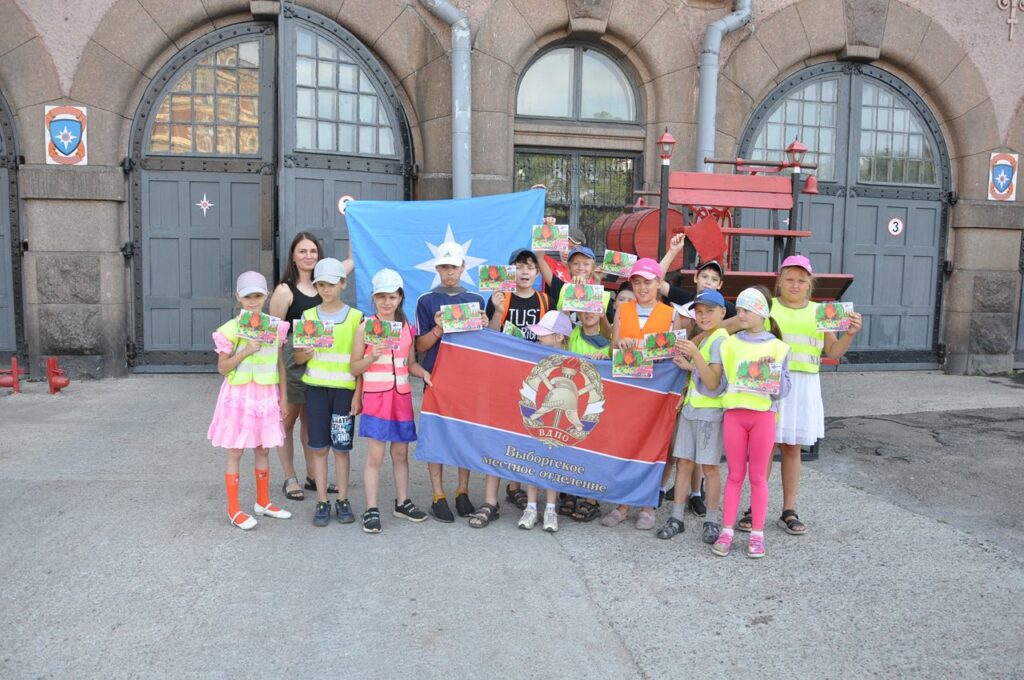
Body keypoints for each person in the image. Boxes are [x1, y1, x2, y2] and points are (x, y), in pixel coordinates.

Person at [751, 254, 861, 536]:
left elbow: (833, 351)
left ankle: (789, 509)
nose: (795, 285)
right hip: (772, 383)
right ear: (780, 281)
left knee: (792, 448)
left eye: (801, 280)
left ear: (809, 284)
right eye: (790, 279)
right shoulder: (768, 307)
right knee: (766, 447)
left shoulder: (819, 312)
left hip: (804, 385)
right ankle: (755, 507)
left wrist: (849, 335)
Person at [208, 271, 292, 530]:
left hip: (265, 395)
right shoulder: (229, 329)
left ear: (266, 296)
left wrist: (284, 397)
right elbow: (223, 368)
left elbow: (279, 364)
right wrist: (245, 350)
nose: (253, 301)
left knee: (263, 449)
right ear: (238, 297)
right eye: (247, 296)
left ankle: (263, 501)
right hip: (239, 396)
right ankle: (233, 508)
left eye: (258, 295)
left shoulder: (274, 327)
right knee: (235, 451)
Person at [349, 269, 431, 533]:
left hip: (401, 398)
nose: (387, 302)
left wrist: (424, 373)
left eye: (392, 297)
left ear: (400, 298)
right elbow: (353, 367)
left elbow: (410, 363)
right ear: (373, 298)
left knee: (400, 454)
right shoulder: (365, 328)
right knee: (375, 456)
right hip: (376, 399)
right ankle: (371, 508)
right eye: (381, 297)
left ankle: (402, 502)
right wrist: (372, 357)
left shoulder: (407, 328)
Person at [711, 288, 791, 559]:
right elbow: (721, 383)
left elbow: (783, 390)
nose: (741, 314)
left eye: (746, 310)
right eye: (739, 309)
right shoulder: (729, 344)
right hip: (734, 414)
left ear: (761, 312)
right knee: (734, 475)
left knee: (757, 477)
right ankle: (727, 531)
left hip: (763, 416)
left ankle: (757, 534)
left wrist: (771, 374)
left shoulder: (778, 347)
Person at [602, 258, 674, 530]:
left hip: (657, 390)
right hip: (629, 388)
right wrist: (621, 343)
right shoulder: (623, 310)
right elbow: (613, 349)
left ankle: (647, 505)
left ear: (659, 283)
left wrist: (645, 346)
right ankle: (622, 504)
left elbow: (672, 353)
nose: (643, 288)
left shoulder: (671, 314)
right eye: (637, 282)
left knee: (654, 446)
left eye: (648, 282)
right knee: (627, 444)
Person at [414, 241, 484, 522]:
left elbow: (482, 344)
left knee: (464, 434)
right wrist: (438, 329)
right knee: (436, 434)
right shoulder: (426, 301)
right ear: (437, 268)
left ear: (463, 267)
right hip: (436, 377)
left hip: (466, 377)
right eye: (444, 266)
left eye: (454, 266)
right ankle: (437, 494)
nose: (449, 272)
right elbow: (420, 346)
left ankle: (462, 491)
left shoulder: (476, 300)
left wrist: (486, 324)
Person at [294, 258, 363, 527]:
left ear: (343, 284)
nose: (326, 289)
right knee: (319, 447)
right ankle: (322, 500)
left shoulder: (356, 318)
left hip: (344, 392)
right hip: (316, 391)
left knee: (341, 448)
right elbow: (298, 358)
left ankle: (343, 499)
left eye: (331, 284)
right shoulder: (308, 317)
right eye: (321, 284)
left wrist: (358, 394)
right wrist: (306, 353)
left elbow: (360, 362)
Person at [656, 289, 729, 544]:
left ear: (723, 312)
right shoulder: (708, 337)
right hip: (691, 409)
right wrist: (690, 367)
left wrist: (694, 356)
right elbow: (703, 374)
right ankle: (676, 517)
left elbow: (713, 382)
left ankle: (712, 520)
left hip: (710, 414)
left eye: (710, 311)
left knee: (709, 468)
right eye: (699, 312)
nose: (703, 316)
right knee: (684, 463)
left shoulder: (720, 339)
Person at [484, 247, 550, 512]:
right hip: (504, 374)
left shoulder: (545, 300)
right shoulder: (501, 297)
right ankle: (493, 495)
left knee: (526, 431)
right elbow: (489, 335)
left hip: (534, 377)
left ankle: (516, 486)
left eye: (530, 267)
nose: (525, 271)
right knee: (501, 431)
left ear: (537, 272)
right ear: (510, 271)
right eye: (519, 266)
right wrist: (498, 310)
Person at [521, 311, 577, 533]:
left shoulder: (572, 361)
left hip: (558, 420)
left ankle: (551, 509)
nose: (539, 337)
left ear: (559, 337)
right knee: (532, 457)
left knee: (553, 460)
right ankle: (531, 507)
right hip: (538, 414)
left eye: (544, 333)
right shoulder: (534, 355)